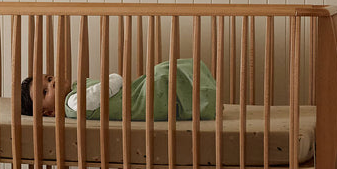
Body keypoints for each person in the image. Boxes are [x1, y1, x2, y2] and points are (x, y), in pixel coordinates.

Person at [20, 59, 216, 121]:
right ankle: (207, 103)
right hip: (139, 100)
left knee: (167, 73)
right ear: (49, 113)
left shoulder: (75, 93)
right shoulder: (73, 103)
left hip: (135, 94)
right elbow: (113, 83)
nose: (52, 82)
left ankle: (205, 101)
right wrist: (115, 78)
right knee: (164, 75)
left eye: (49, 78)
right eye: (45, 91)